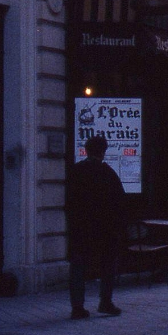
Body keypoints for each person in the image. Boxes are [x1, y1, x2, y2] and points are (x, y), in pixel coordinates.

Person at [66, 135, 126, 319]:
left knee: (78, 266)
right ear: (103, 152)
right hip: (105, 228)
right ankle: (105, 302)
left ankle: (77, 307)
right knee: (108, 265)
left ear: (86, 150)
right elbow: (119, 201)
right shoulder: (107, 173)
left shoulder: (76, 171)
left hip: (81, 227)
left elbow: (69, 200)